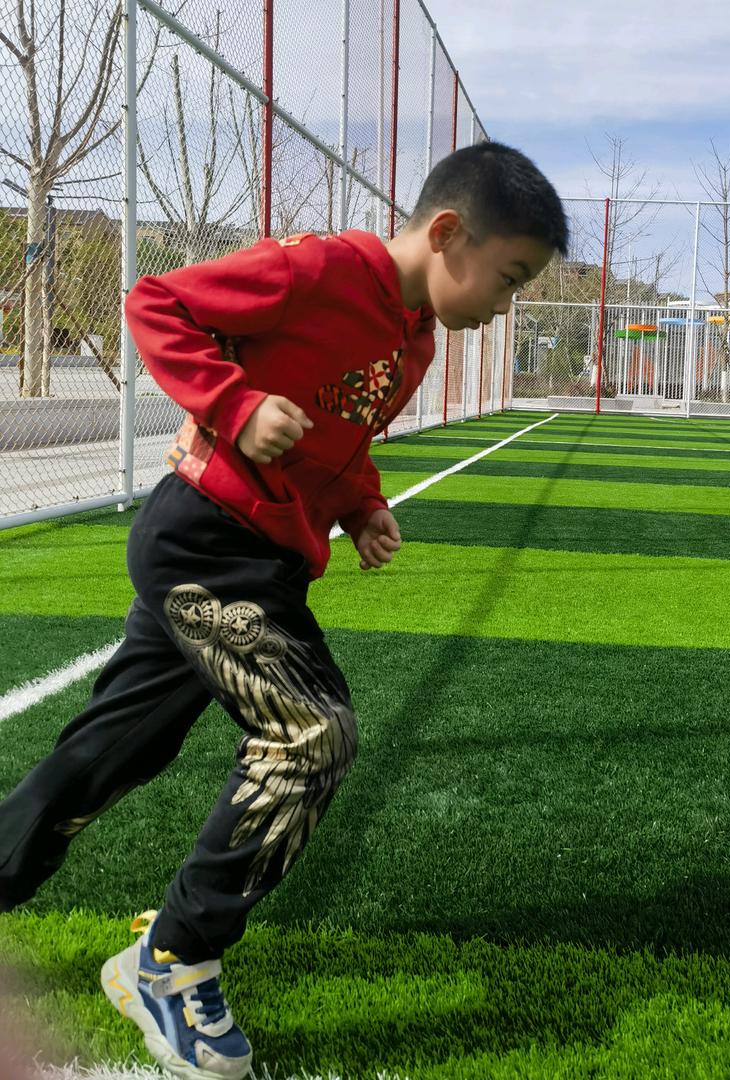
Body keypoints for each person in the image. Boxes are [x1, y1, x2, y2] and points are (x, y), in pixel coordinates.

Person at [0, 141, 567, 1079]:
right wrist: (232, 402)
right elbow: (155, 303)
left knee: (111, 752)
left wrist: (362, 505)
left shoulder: (415, 336)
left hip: (262, 559)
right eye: (508, 280)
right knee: (313, 735)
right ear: (447, 232)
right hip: (205, 542)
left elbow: (337, 435)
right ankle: (173, 959)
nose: (505, 306)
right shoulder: (318, 270)